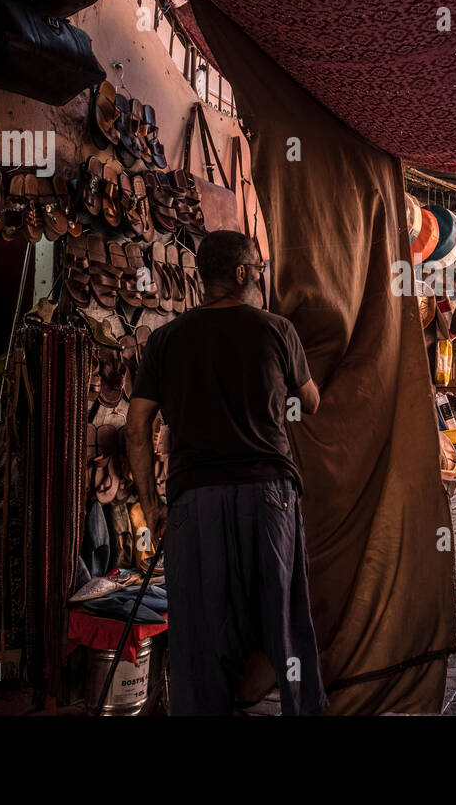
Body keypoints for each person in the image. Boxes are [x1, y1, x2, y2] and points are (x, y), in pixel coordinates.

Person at [125, 231, 328, 716]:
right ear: (240, 274)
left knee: (198, 634)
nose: (260, 275)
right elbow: (312, 402)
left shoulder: (166, 339)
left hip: (195, 501)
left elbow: (136, 428)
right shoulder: (277, 330)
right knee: (285, 626)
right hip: (268, 496)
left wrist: (152, 507)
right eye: (257, 268)